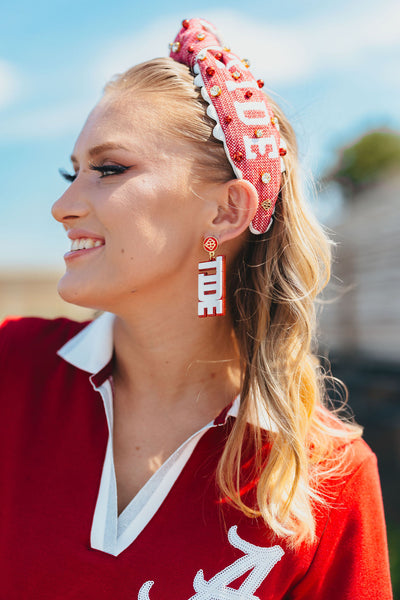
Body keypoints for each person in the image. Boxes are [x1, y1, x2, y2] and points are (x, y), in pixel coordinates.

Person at [0, 17, 393, 600]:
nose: (63, 205)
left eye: (109, 169)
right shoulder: (11, 368)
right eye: (71, 171)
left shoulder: (330, 476)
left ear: (226, 212)